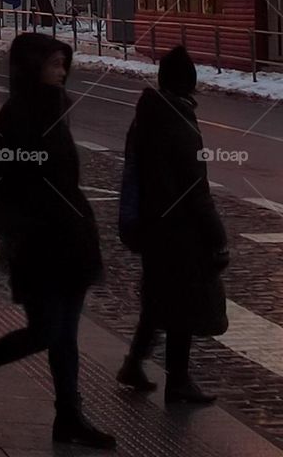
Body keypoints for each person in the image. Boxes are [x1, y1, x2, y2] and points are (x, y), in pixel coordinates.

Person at [0, 33, 114, 449]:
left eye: (64, 64)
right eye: (54, 64)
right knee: (47, 331)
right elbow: (18, 180)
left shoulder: (56, 108)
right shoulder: (19, 113)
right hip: (41, 241)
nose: (62, 72)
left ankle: (69, 416)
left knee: (64, 335)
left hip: (70, 237)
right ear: (31, 67)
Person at [117, 45, 227, 404]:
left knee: (158, 298)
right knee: (181, 305)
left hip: (152, 225)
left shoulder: (147, 115)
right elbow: (196, 188)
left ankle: (134, 363)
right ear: (189, 83)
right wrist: (216, 235)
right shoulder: (179, 122)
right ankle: (178, 381)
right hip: (179, 230)